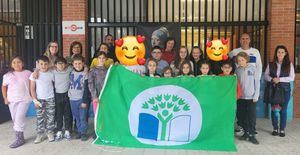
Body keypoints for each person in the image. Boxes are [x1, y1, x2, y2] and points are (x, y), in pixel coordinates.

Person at [229, 33, 262, 134]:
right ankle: (243, 129)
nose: (245, 40)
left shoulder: (255, 52)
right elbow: (228, 62)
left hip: (251, 88)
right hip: (240, 92)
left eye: (247, 38)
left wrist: (256, 88)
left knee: (251, 114)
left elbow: (259, 67)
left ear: (250, 40)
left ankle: (251, 131)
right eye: (242, 38)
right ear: (240, 40)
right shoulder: (234, 52)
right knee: (241, 112)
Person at [264, 45, 295, 137]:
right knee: (274, 110)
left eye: (282, 52)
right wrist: (272, 79)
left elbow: (292, 77)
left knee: (283, 110)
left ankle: (282, 129)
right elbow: (265, 76)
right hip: (273, 90)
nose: (280, 54)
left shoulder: (289, 64)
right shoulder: (271, 64)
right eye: (278, 52)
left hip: (285, 90)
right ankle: (275, 128)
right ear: (276, 53)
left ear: (285, 54)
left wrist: (279, 79)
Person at [1, 56, 32, 148]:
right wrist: (5, 98)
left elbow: (33, 83)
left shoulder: (28, 73)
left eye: (19, 62)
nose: (16, 64)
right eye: (14, 62)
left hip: (25, 99)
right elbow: (4, 87)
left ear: (23, 63)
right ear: (11, 64)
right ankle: (20, 136)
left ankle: (19, 139)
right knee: (15, 119)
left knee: (19, 118)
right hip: (12, 100)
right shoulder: (7, 75)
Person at [235, 52, 260, 144]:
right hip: (241, 98)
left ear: (246, 59)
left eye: (242, 60)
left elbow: (257, 83)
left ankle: (252, 135)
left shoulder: (253, 69)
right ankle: (246, 133)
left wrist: (256, 95)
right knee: (241, 116)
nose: (241, 62)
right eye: (239, 60)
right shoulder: (237, 70)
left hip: (251, 98)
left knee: (251, 117)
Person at [30, 56, 55, 143]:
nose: (43, 66)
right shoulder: (34, 74)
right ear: (38, 64)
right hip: (39, 99)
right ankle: (40, 134)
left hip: (50, 98)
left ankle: (50, 132)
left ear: (48, 64)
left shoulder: (52, 73)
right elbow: (32, 89)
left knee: (50, 117)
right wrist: (35, 100)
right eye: (41, 64)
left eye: (45, 64)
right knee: (40, 117)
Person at [69, 55, 90, 141]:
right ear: (73, 64)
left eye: (80, 63)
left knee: (82, 117)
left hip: (81, 99)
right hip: (72, 99)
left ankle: (83, 133)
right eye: (76, 63)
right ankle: (79, 131)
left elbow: (86, 89)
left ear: (83, 64)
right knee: (76, 117)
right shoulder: (70, 72)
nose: (78, 65)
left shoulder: (85, 74)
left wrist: (85, 101)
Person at [52, 57, 73, 141]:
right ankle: (59, 130)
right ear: (55, 65)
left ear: (66, 64)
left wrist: (86, 68)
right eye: (59, 63)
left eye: (62, 63)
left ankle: (67, 130)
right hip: (57, 95)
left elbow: (81, 66)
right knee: (58, 114)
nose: (61, 65)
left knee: (67, 113)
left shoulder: (69, 70)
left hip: (67, 94)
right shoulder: (53, 71)